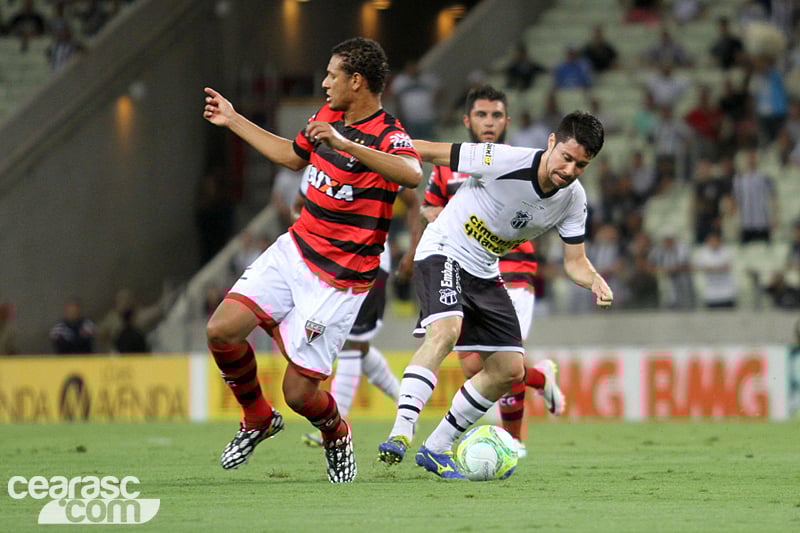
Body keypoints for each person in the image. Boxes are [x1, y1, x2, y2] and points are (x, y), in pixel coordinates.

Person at [202, 37, 422, 483]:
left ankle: (336, 433)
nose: (324, 83)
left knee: (300, 394)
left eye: (332, 74)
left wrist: (346, 144)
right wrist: (234, 120)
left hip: (339, 281)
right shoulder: (325, 116)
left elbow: (412, 173)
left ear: (356, 81)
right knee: (221, 330)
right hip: (296, 249)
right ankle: (257, 417)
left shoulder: (389, 134)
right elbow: (289, 155)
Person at [378, 110, 612, 478]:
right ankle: (401, 431)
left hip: (486, 270)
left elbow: (575, 261)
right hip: (444, 251)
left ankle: (436, 448)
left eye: (581, 165)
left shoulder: (573, 199)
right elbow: (429, 150)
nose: (569, 170)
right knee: (446, 331)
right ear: (551, 142)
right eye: (566, 157)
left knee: (508, 370)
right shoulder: (502, 159)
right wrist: (381, 146)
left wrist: (594, 279)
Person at [419, 85, 540, 457]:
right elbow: (428, 208)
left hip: (514, 268)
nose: (489, 123)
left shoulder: (519, 161)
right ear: (467, 120)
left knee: (504, 362)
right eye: (482, 115)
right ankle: (543, 378)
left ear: (507, 121)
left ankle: (514, 441)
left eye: (497, 116)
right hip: (463, 268)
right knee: (473, 364)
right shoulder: (447, 169)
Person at [301, 185, 422, 448]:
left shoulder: (380, 158)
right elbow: (301, 202)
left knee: (351, 341)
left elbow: (413, 201)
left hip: (370, 261)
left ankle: (336, 420)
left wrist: (414, 248)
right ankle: (407, 406)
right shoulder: (329, 163)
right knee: (359, 346)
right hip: (337, 260)